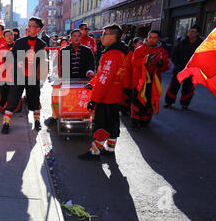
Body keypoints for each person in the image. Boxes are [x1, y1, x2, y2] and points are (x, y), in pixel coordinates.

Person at [78, 24, 129, 161]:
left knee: (101, 123)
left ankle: (95, 152)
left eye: (105, 34)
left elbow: (104, 79)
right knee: (113, 122)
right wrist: (92, 83)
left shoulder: (112, 54)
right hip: (115, 94)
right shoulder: (120, 51)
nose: (101, 37)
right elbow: (103, 76)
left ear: (113, 36)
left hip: (106, 96)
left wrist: (94, 99)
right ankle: (110, 149)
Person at [1, 17, 47, 134]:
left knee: (35, 99)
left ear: (38, 29)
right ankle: (6, 123)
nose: (29, 28)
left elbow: (43, 62)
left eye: (32, 26)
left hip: (33, 77)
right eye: (29, 25)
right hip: (19, 75)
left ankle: (37, 121)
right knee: (12, 99)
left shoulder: (42, 44)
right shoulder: (20, 42)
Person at [45, 29, 96, 126]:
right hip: (67, 80)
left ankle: (89, 116)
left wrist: (90, 72)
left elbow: (91, 64)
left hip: (83, 80)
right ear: (71, 38)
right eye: (74, 36)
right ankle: (56, 116)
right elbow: (59, 65)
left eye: (78, 36)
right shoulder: (64, 50)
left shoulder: (87, 50)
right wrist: (57, 74)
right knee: (55, 94)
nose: (76, 38)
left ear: (81, 38)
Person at [131, 30, 170, 130]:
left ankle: (145, 122)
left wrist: (161, 66)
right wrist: (145, 60)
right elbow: (134, 62)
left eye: (155, 37)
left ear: (158, 39)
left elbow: (166, 66)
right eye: (150, 37)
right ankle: (135, 122)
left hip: (153, 82)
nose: (152, 40)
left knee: (149, 102)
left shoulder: (162, 51)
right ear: (147, 38)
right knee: (137, 102)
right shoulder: (140, 49)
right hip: (139, 81)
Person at [164, 25, 203, 110]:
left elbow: (203, 57)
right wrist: (179, 65)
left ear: (197, 33)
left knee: (188, 88)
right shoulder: (182, 42)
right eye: (190, 31)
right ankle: (169, 102)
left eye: (193, 32)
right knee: (174, 86)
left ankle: (185, 104)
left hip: (192, 70)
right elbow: (174, 54)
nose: (190, 33)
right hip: (179, 69)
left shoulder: (201, 44)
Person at [0, 29, 21, 114]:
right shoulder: (1, 49)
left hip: (16, 74)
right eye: (7, 36)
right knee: (4, 92)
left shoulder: (18, 47)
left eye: (11, 35)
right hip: (4, 75)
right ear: (4, 38)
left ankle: (16, 108)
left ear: (13, 36)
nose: (9, 37)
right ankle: (2, 107)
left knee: (16, 93)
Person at [120, 37, 143, 115]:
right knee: (126, 94)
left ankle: (128, 109)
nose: (142, 45)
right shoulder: (130, 53)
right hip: (128, 77)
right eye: (140, 43)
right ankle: (124, 109)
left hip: (135, 78)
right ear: (134, 44)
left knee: (131, 95)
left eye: (142, 43)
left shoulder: (139, 52)